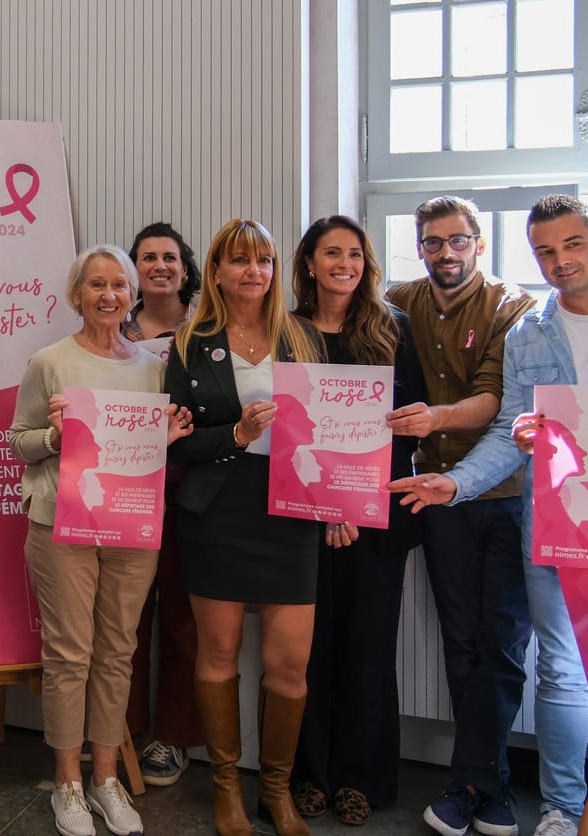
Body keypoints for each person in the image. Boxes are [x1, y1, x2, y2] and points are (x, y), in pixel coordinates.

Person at [389, 196, 588, 836]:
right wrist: (454, 482)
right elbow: (510, 426)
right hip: (549, 513)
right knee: (558, 666)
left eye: (572, 246)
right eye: (546, 252)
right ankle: (561, 808)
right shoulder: (532, 332)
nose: (560, 262)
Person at [10, 244, 194, 836]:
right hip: (60, 524)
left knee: (118, 652)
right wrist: (55, 439)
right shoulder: (49, 361)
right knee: (69, 654)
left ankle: (106, 779)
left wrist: (164, 439)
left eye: (119, 284)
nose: (109, 295)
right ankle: (66, 784)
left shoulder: (153, 367)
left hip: (130, 523)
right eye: (96, 285)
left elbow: (136, 452)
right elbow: (19, 440)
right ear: (77, 295)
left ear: (132, 293)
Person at [163, 219, 325, 836]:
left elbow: (333, 435)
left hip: (293, 511)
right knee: (220, 651)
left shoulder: (303, 337)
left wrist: (340, 506)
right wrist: (235, 435)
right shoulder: (187, 343)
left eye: (262, 260)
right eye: (238, 261)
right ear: (217, 271)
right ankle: (227, 786)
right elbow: (175, 447)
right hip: (217, 511)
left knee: (289, 662)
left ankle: (275, 790)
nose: (252, 271)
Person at [384, 195, 536, 836]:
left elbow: (499, 402)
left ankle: (474, 782)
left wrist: (436, 418)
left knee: (502, 644)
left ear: (479, 241)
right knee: (461, 641)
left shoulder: (513, 307)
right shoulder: (399, 300)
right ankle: (486, 785)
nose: (446, 252)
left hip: (505, 494)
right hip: (435, 496)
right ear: (419, 247)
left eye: (458, 240)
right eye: (433, 242)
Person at [287, 215, 428, 826]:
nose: (343, 263)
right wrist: (325, 507)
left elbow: (410, 423)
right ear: (310, 263)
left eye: (354, 253)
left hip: (377, 517)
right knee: (306, 654)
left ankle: (361, 779)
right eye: (330, 252)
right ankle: (308, 775)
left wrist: (356, 503)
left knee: (368, 651)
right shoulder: (285, 331)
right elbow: (288, 430)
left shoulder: (393, 328)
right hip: (303, 517)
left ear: (366, 263)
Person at [118, 221, 206, 788]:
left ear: (184, 267)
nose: (159, 266)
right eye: (147, 257)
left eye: (169, 257)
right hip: (124, 486)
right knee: (124, 619)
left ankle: (170, 738)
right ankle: (118, 730)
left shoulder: (208, 329)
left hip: (188, 489)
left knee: (181, 618)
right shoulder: (112, 327)